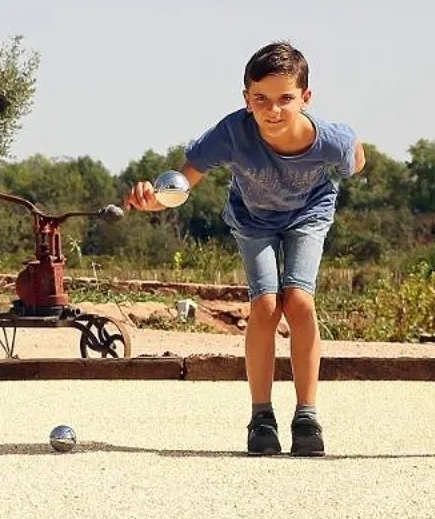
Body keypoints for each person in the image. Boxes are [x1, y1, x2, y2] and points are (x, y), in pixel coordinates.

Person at [126, 42, 364, 455]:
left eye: (285, 98)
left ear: (305, 97)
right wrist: (154, 200)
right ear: (246, 99)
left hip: (308, 214)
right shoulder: (232, 133)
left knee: (300, 301)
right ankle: (262, 417)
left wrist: (354, 157)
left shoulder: (329, 141)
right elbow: (184, 181)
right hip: (252, 220)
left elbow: (355, 157)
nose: (273, 110)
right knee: (266, 305)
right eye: (261, 99)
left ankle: (307, 416)